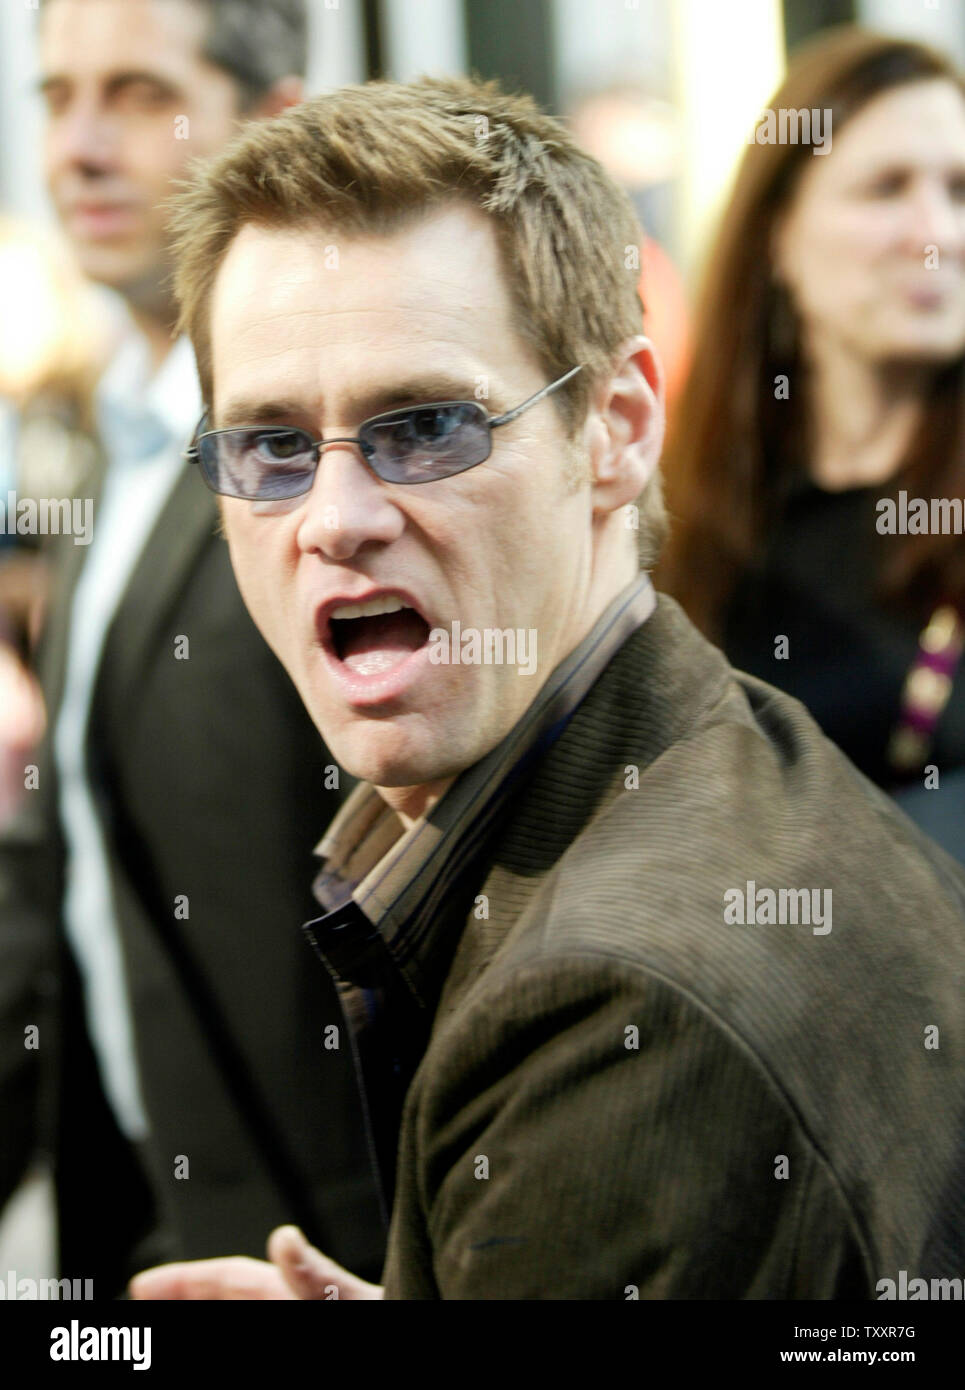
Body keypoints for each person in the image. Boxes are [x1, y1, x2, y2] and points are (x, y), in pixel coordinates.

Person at [130, 75, 965, 1301]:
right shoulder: (713, 761)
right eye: (271, 447)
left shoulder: (622, 1002)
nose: (335, 519)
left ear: (617, 428)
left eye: (422, 427)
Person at [0, 0, 384, 1298]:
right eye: (57, 98)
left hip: (322, 1239)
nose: (79, 149)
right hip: (142, 1222)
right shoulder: (110, 429)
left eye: (134, 94)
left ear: (269, 125)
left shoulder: (324, 465)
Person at [656, 29, 965, 862]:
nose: (934, 232)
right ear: (779, 236)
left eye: (959, 190)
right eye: (885, 188)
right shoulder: (681, 521)